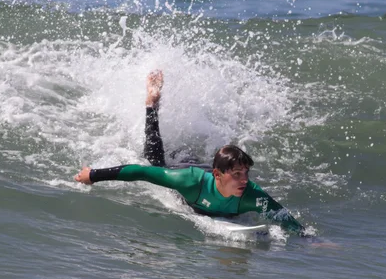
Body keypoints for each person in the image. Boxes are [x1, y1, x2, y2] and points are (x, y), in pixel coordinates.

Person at [74, 70, 305, 235]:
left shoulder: (253, 195)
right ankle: (151, 104)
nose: (245, 179)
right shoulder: (189, 182)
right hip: (186, 169)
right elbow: (140, 172)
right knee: (153, 159)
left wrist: (309, 240)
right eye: (237, 174)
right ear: (219, 175)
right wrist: (93, 175)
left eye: (245, 173)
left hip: (203, 167)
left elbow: (281, 215)